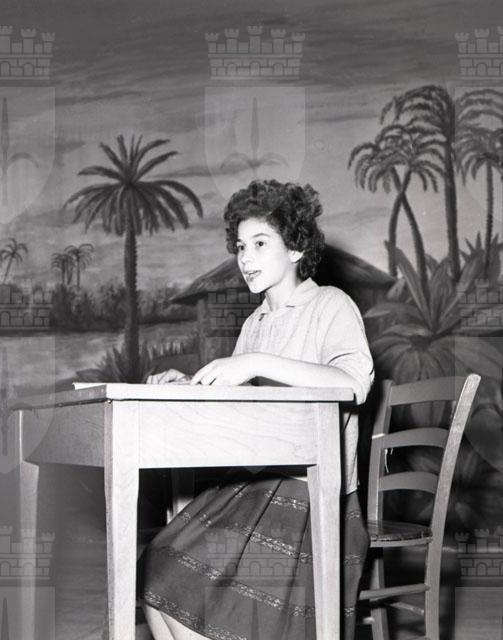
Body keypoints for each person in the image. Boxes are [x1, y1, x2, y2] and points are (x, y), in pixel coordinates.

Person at [141, 179, 374, 640]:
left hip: (310, 499)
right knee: (156, 573)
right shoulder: (255, 323)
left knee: (186, 593)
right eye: (240, 246)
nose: (245, 258)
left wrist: (254, 363)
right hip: (253, 489)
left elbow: (354, 384)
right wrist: (191, 385)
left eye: (260, 243)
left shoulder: (331, 305)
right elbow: (240, 411)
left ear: (296, 248)